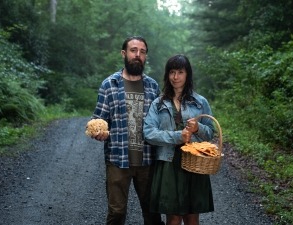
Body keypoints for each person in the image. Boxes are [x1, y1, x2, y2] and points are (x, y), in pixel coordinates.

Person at [89, 36, 163, 225]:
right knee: (117, 213)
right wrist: (98, 131)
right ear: (124, 53)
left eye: (142, 51)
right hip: (117, 159)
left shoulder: (153, 86)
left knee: (152, 213)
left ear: (146, 56)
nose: (138, 55)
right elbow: (99, 118)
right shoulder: (109, 84)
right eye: (133, 50)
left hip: (147, 160)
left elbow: (161, 121)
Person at [143, 54, 215, 225]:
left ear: (187, 74)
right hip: (168, 163)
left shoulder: (200, 102)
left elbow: (211, 133)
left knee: (192, 217)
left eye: (180, 72)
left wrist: (198, 128)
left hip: (194, 162)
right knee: (173, 217)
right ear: (167, 75)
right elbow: (148, 133)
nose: (175, 77)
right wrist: (177, 136)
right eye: (172, 72)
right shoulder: (158, 104)